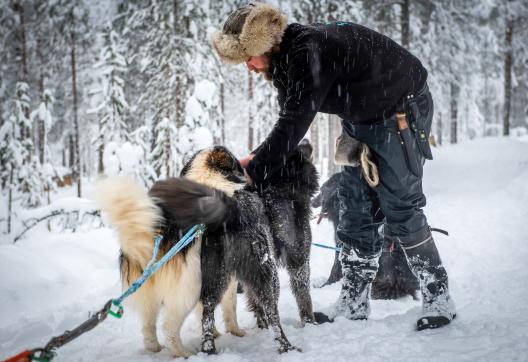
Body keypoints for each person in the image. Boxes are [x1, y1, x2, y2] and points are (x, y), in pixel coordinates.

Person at [212, 2, 456, 330]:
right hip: (361, 119)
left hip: (400, 110)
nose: (250, 68)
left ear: (263, 45)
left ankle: (439, 296)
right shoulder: (285, 61)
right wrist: (254, 159)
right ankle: (353, 301)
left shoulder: (306, 53)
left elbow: (292, 127)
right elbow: (288, 123)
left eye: (248, 59)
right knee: (354, 207)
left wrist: (251, 172)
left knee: (401, 207)